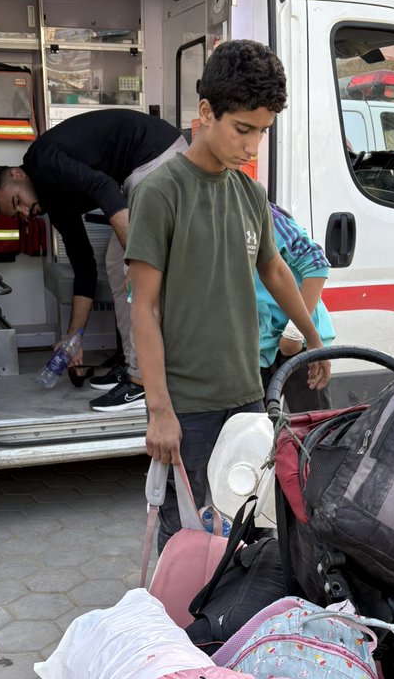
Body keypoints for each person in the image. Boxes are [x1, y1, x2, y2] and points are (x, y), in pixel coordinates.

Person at [125, 39, 330, 551]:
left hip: (246, 395)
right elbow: (144, 310)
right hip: (187, 406)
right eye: (243, 129)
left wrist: (311, 337)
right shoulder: (160, 193)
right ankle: (183, 628)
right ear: (206, 113)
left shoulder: (249, 194)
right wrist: (159, 412)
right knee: (188, 537)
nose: (253, 145)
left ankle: (230, 628)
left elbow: (276, 270)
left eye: (262, 131)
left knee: (247, 523)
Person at [0, 110, 186, 409]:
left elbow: (102, 187)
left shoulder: (42, 160)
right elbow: (84, 268)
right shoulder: (54, 205)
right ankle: (133, 367)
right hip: (143, 167)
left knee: (130, 265)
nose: (25, 212)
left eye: (17, 202)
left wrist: (136, 258)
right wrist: (73, 339)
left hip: (157, 154)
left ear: (17, 174)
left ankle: (144, 382)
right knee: (115, 263)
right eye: (18, 214)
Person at [257, 204, 336, 412]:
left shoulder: (264, 214)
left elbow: (317, 263)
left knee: (313, 433)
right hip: (258, 348)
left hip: (302, 343)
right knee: (257, 434)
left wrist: (296, 331)